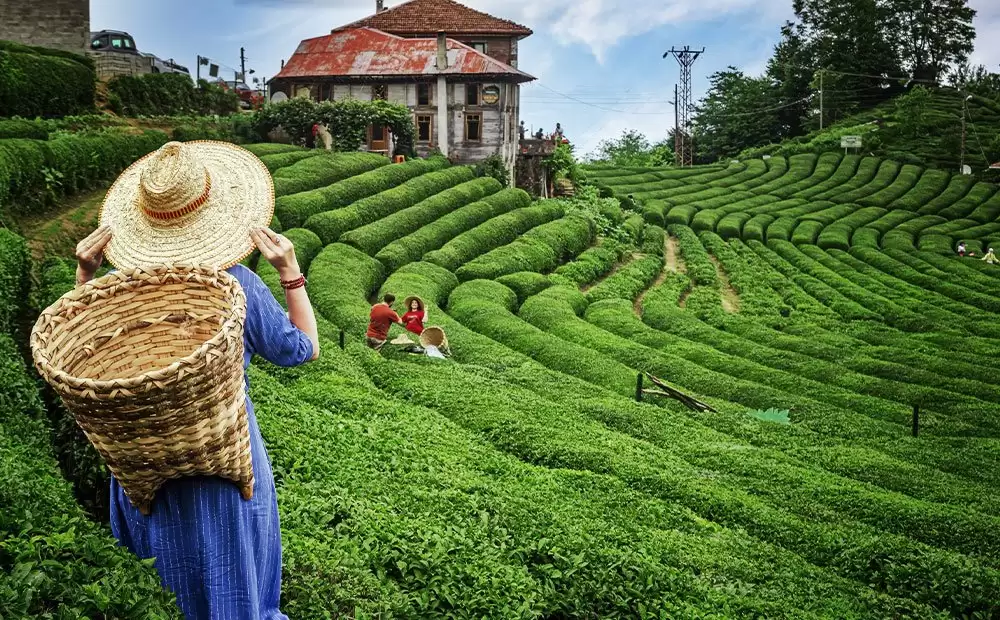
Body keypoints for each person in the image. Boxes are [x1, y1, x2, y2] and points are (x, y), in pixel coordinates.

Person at [75, 140, 319, 619]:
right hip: (221, 459)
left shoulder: (119, 293)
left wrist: (85, 276)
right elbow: (302, 350)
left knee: (160, 584)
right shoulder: (236, 288)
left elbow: (85, 355)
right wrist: (291, 274)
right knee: (231, 576)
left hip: (143, 467)